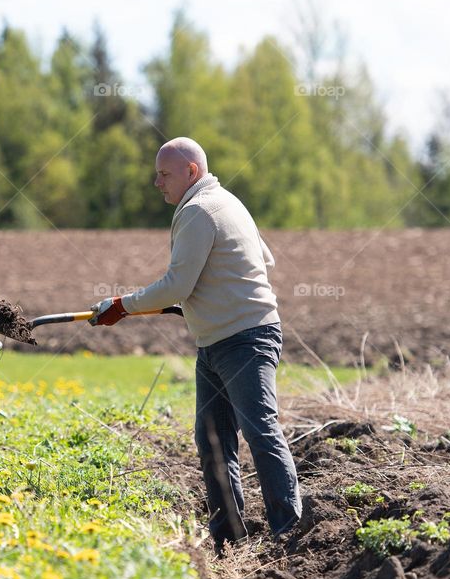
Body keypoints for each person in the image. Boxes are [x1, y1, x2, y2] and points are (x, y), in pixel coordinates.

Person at [90, 137, 302, 553]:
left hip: (243, 339)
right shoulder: (228, 201)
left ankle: (290, 533)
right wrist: (206, 297)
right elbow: (263, 260)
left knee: (261, 432)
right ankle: (228, 535)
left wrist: (122, 306)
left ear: (191, 172)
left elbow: (176, 285)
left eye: (164, 174)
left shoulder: (199, 210)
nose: (156, 182)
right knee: (212, 439)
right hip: (217, 340)